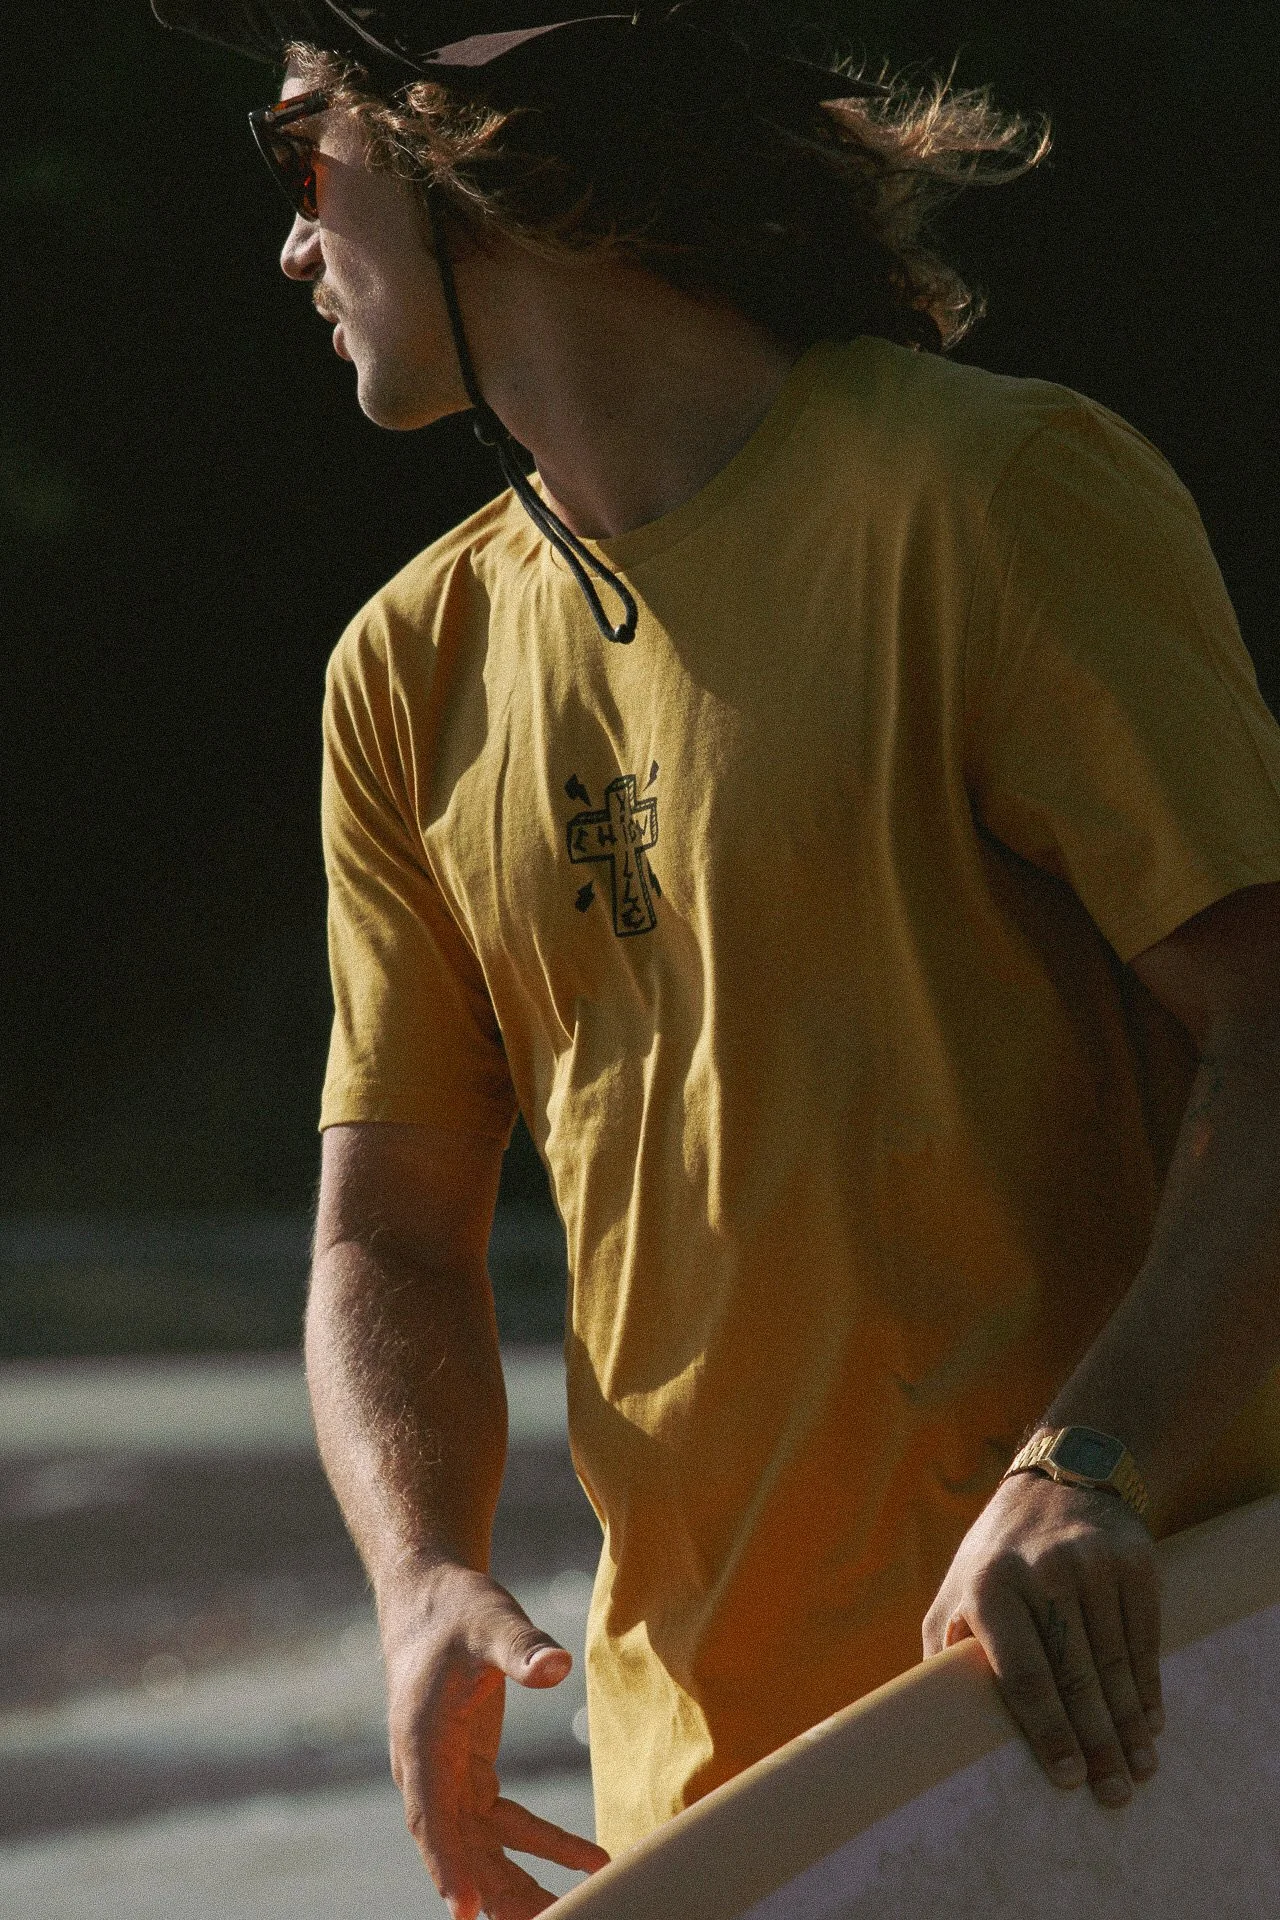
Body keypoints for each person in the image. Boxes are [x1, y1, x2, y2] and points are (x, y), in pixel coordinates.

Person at [154, 5, 1280, 1917]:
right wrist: (421, 1572)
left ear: (458, 142)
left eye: (298, 149)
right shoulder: (404, 673)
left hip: (1110, 1729)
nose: (288, 241)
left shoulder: (995, 501)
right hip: (706, 1808)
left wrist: (1099, 1458)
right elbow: (388, 1234)